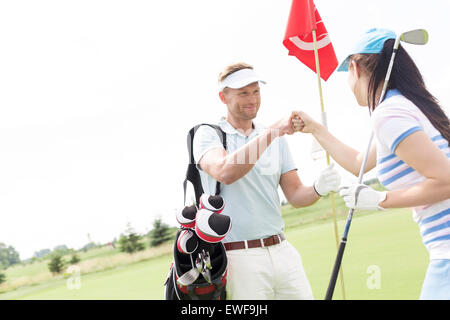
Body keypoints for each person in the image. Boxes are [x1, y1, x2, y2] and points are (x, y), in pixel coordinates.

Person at [292, 28, 450, 299]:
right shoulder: (402, 106)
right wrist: (316, 129)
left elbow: (447, 181)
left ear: (355, 67)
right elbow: (358, 163)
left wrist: (379, 199)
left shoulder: (388, 114)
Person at [192, 62, 341, 300]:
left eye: (256, 91)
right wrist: (271, 132)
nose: (252, 99)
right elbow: (225, 171)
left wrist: (318, 187)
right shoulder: (207, 133)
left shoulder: (274, 138)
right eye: (243, 93)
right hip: (238, 256)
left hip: (282, 250)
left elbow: (295, 195)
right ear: (223, 96)